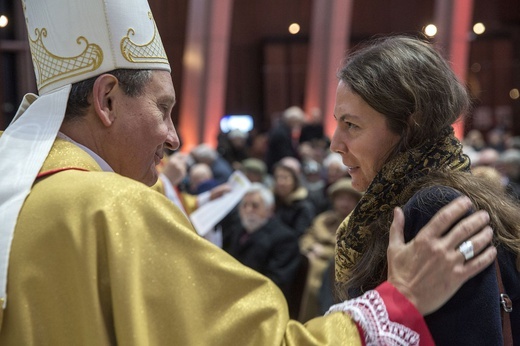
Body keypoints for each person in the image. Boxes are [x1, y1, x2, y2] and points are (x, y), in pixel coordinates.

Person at [0, 1, 497, 344]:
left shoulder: (19, 200)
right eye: (164, 109)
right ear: (107, 99)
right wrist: (398, 303)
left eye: (351, 125)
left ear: (406, 126)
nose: (174, 137)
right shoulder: (110, 206)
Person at [330, 35, 520, 345]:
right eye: (338, 122)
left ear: (410, 125)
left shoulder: (434, 206)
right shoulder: (444, 190)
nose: (335, 144)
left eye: (351, 125)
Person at [299, 178, 363, 322]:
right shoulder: (324, 219)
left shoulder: (359, 225)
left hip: (337, 274)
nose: (344, 204)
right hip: (309, 266)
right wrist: (312, 248)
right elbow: (307, 237)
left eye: (349, 199)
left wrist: (325, 252)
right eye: (340, 199)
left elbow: (354, 252)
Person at [223, 183, 301, 300]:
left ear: (269, 209)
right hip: (231, 290)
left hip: (258, 299)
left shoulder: (285, 238)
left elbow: (275, 282)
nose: (248, 210)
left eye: (255, 206)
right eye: (244, 205)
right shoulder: (237, 229)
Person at [272, 160, 316, 238]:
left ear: (294, 181)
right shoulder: (271, 202)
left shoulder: (303, 207)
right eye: (277, 178)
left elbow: (300, 234)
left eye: (285, 178)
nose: (280, 182)